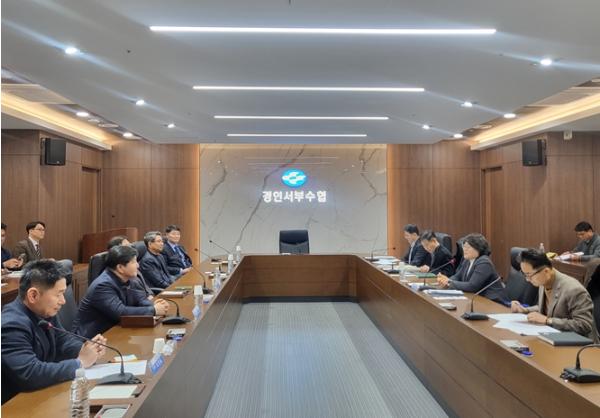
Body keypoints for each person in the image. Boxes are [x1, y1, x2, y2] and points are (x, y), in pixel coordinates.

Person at [1, 260, 106, 403]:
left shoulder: (43, 310)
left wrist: (87, 349)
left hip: (42, 394)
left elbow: (63, 340)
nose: (63, 301)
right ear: (33, 295)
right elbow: (30, 373)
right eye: (59, 294)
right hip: (16, 403)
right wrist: (80, 363)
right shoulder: (11, 325)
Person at [73, 246, 169, 339]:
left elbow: (140, 299)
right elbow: (121, 312)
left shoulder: (129, 279)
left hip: (117, 329)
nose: (138, 265)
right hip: (95, 337)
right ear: (120, 267)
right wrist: (153, 310)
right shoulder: (103, 285)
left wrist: (154, 305)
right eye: (134, 262)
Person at [511, 249, 598, 341]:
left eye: (529, 275)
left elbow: (584, 324)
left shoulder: (574, 289)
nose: (527, 279)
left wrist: (548, 320)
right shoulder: (544, 281)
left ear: (546, 271)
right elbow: (550, 308)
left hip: (580, 344)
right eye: (525, 275)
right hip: (556, 338)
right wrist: (525, 310)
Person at [437, 234, 504, 301]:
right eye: (464, 246)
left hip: (492, 301)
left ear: (478, 248)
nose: (464, 249)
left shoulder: (484, 262)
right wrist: (446, 280)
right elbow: (457, 276)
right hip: (477, 298)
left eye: (468, 247)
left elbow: (472, 286)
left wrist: (449, 283)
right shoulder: (467, 260)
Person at [107, 236, 154, 300]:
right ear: (117, 251)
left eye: (130, 245)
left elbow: (144, 286)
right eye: (127, 246)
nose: (130, 248)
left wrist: (150, 296)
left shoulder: (131, 268)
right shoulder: (123, 276)